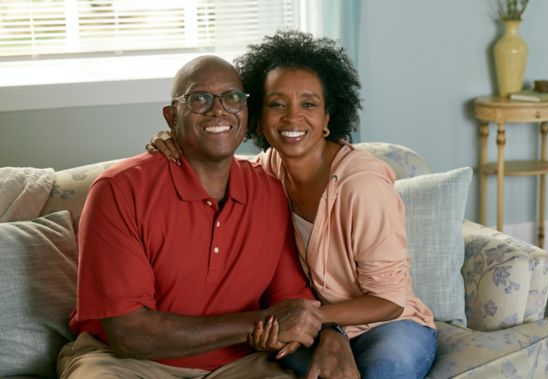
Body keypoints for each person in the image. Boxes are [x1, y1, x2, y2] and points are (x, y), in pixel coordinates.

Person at [149, 31, 438, 379]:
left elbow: (390, 300)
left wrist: (321, 321)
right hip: (309, 329)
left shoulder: (361, 185)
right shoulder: (264, 172)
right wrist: (176, 138)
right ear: (258, 117)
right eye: (277, 104)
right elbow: (213, 162)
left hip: (387, 325)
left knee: (381, 373)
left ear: (328, 118)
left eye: (308, 103)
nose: (292, 117)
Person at [58, 55, 359, 379]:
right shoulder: (119, 191)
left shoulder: (270, 191)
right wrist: (257, 324)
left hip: (240, 363)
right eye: (199, 99)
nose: (219, 110)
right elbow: (129, 334)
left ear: (246, 114)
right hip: (125, 363)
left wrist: (333, 335)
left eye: (232, 98)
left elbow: (292, 299)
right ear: (172, 117)